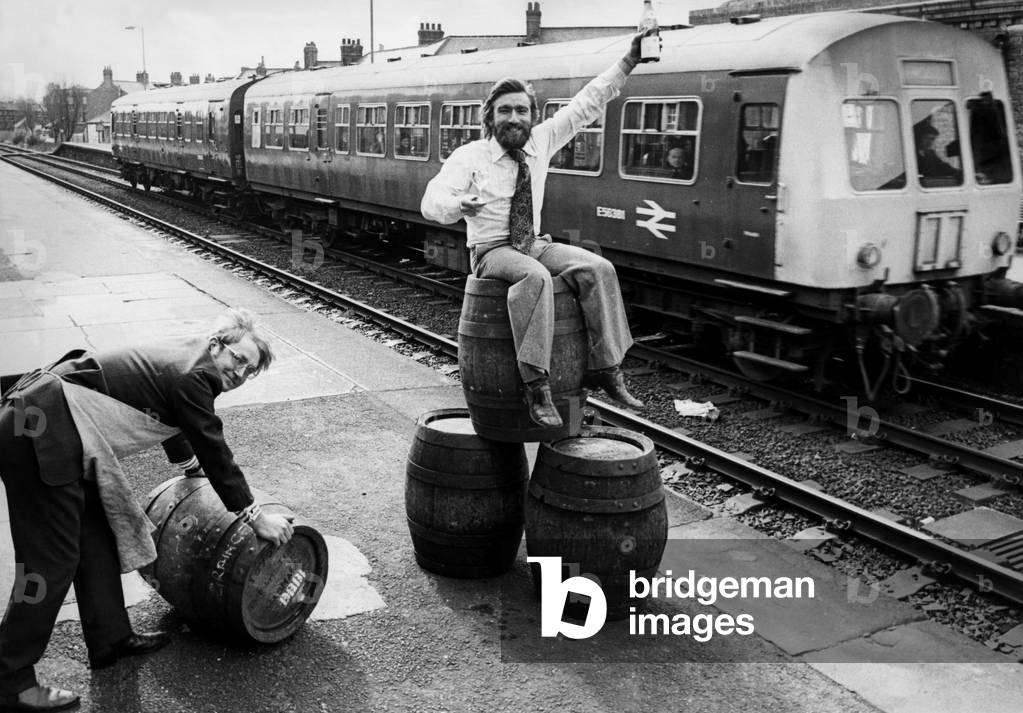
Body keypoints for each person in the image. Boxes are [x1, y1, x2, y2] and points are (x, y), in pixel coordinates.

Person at [0, 309, 293, 712]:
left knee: (96, 535)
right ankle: (10, 681)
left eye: (251, 370)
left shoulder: (194, 361)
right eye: (238, 360)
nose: (240, 373)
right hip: (39, 431)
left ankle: (110, 638)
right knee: (50, 563)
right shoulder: (196, 375)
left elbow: (169, 409)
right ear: (216, 345)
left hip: (57, 426)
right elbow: (214, 449)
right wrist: (255, 516)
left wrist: (188, 465)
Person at [421, 30, 653, 427]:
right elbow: (431, 201)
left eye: (522, 111)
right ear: (490, 116)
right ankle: (537, 386)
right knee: (535, 277)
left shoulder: (541, 141)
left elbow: (588, 103)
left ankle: (606, 369)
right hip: (492, 252)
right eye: (505, 110)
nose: (514, 118)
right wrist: (459, 205)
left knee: (598, 269)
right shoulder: (470, 156)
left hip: (534, 243)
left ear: (533, 115)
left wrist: (628, 62)